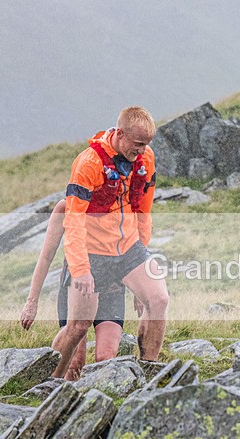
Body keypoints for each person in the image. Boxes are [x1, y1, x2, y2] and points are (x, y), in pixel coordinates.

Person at [52, 106, 169, 378]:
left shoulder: (145, 159)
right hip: (91, 253)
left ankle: (149, 371)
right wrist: (80, 269)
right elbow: (74, 221)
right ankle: (47, 382)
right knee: (77, 327)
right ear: (120, 134)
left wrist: (142, 255)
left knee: (158, 299)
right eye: (137, 144)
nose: (141, 151)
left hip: (129, 248)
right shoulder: (89, 163)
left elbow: (143, 209)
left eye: (146, 145)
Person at [20, 200, 127, 381]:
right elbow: (46, 256)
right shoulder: (66, 207)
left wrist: (142, 291)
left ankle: (97, 405)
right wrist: (32, 301)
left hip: (111, 290)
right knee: (75, 363)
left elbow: (133, 248)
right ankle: (50, 392)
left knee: (106, 358)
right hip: (77, 290)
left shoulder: (122, 203)